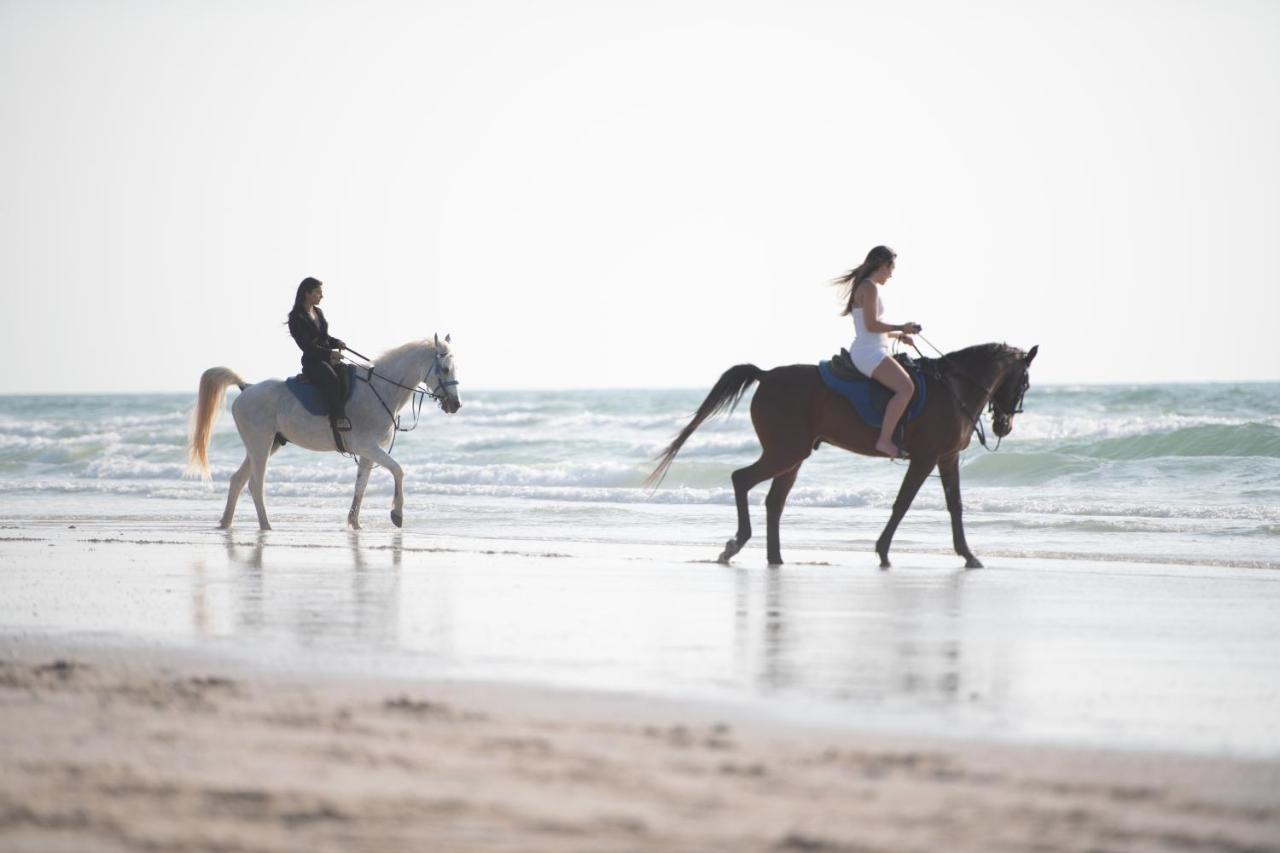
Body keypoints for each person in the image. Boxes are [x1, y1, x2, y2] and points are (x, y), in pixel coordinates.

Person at [835, 246, 922, 459]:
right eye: (891, 268)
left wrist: (898, 336)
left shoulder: (867, 286)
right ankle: (884, 441)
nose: (892, 274)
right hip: (868, 353)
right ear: (883, 266)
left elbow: (870, 329)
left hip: (871, 348)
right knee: (906, 388)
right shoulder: (869, 287)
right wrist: (901, 327)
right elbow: (872, 325)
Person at [287, 277, 351, 432]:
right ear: (307, 293)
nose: (321, 296)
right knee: (333, 380)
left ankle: (343, 411)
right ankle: (335, 419)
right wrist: (330, 354)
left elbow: (325, 337)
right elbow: (307, 346)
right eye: (318, 292)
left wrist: (337, 343)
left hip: (327, 357)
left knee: (347, 373)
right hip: (312, 361)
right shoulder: (296, 317)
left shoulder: (318, 312)